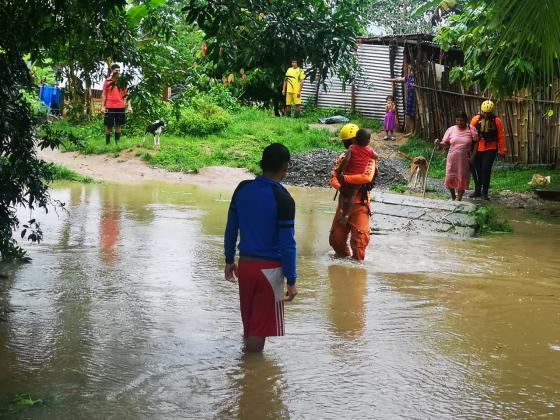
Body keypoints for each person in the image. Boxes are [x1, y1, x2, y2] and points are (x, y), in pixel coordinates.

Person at [224, 143, 298, 353]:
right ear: (285, 167)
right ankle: (252, 377)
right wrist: (291, 280)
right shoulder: (283, 199)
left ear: (262, 164)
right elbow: (288, 244)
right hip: (270, 271)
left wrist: (229, 260)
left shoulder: (242, 189)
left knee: (249, 325)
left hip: (245, 267)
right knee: (259, 330)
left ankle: (245, 372)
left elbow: (231, 228)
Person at [329, 124, 377, 261]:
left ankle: (357, 270)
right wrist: (340, 186)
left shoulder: (370, 159)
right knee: (336, 240)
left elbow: (367, 177)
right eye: (346, 142)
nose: (348, 145)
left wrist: (344, 180)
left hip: (361, 204)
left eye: (349, 142)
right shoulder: (344, 157)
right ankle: (343, 271)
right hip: (344, 202)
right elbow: (333, 176)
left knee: (359, 243)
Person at [336, 128, 377, 225]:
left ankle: (341, 210)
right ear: (368, 141)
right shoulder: (369, 151)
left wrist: (340, 172)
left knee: (342, 193)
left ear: (355, 139)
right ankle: (347, 215)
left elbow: (345, 161)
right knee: (352, 197)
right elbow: (376, 157)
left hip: (347, 177)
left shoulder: (351, 148)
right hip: (357, 183)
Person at [434, 111, 478, 201]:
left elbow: (477, 142)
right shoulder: (451, 129)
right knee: (450, 177)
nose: (459, 122)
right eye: (457, 120)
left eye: (461, 120)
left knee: (462, 177)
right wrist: (438, 143)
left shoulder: (471, 129)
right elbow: (445, 143)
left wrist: (473, 156)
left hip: (464, 159)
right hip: (452, 157)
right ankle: (453, 195)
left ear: (466, 120)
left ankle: (459, 199)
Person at [469, 100, 506, 200]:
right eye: (484, 112)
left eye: (488, 113)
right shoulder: (475, 119)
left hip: (491, 148)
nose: (485, 115)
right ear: (481, 111)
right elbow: (470, 134)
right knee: (478, 170)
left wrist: (502, 150)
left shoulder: (497, 121)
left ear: (492, 112)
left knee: (486, 169)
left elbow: (501, 136)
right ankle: (477, 190)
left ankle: (484, 192)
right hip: (477, 148)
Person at [102, 64, 132, 145]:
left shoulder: (123, 82)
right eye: (116, 70)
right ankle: (107, 143)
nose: (118, 72)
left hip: (120, 106)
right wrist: (103, 106)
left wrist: (129, 106)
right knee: (109, 126)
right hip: (109, 106)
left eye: (119, 70)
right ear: (112, 70)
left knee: (118, 125)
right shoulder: (107, 81)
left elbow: (127, 94)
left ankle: (117, 142)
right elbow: (104, 94)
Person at [390, 67, 416, 136]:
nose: (411, 71)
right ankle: (411, 131)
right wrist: (391, 80)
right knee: (410, 115)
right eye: (411, 70)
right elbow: (399, 79)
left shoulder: (419, 78)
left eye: (412, 70)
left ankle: (415, 131)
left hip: (417, 99)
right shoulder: (409, 77)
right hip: (410, 99)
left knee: (415, 115)